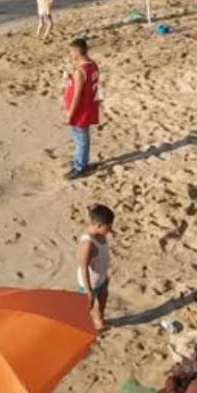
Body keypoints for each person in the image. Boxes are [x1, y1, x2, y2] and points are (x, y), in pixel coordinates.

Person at [63, 38, 100, 180]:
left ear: (77, 51)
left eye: (71, 51)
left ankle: (80, 167)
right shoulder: (93, 65)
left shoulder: (80, 71)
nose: (70, 54)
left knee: (80, 138)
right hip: (90, 106)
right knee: (82, 137)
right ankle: (80, 160)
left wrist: (70, 114)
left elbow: (77, 96)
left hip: (81, 110)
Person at [76, 204, 113, 330]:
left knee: (102, 299)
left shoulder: (100, 234)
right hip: (89, 283)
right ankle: (82, 328)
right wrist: (88, 290)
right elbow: (83, 267)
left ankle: (99, 321)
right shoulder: (87, 244)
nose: (110, 230)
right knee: (85, 309)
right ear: (99, 225)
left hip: (101, 278)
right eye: (108, 227)